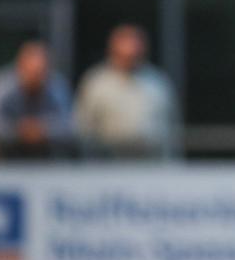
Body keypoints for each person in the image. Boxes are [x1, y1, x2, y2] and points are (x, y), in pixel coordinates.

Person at [74, 24, 179, 159]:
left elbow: (172, 128)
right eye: (125, 54)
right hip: (107, 169)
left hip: (152, 168)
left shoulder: (158, 83)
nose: (130, 56)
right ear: (112, 50)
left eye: (135, 54)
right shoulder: (95, 83)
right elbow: (82, 127)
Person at [0, 41, 74, 161]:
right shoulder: (1, 85)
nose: (36, 78)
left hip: (46, 151)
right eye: (32, 73)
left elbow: (70, 125)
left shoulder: (57, 87)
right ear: (20, 67)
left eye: (41, 73)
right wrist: (18, 130)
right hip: (3, 150)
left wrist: (43, 130)